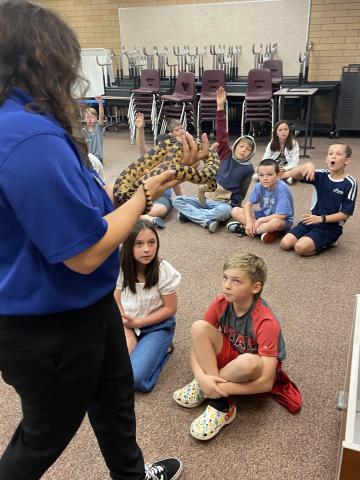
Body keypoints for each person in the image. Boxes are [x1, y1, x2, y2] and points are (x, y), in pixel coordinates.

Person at [0, 2, 193, 478]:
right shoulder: (26, 134)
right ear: (41, 56)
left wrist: (151, 176)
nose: (71, 72)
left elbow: (90, 205)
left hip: (88, 309)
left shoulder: (30, 125)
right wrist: (149, 192)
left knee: (115, 408)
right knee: (41, 439)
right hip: (50, 326)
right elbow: (86, 253)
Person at [173, 253, 302, 441]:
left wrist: (218, 387)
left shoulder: (266, 321)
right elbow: (197, 340)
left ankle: (220, 403)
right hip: (230, 356)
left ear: (255, 287)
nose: (227, 285)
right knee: (198, 327)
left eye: (236, 281)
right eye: (225, 277)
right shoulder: (221, 303)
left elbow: (266, 382)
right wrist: (202, 378)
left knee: (248, 362)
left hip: (252, 367)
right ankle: (212, 391)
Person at [172, 86, 256, 233]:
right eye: (242, 146)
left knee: (224, 212)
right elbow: (222, 134)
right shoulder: (225, 154)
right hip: (206, 198)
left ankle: (193, 216)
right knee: (177, 200)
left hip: (223, 204)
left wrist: (234, 208)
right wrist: (220, 106)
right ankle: (205, 220)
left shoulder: (248, 168)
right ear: (235, 146)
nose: (244, 150)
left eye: (248, 149)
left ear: (251, 153)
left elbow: (241, 193)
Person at [114, 220, 181, 392]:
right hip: (127, 322)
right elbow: (116, 295)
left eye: (152, 243)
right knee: (108, 367)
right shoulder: (121, 265)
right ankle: (138, 343)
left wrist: (137, 324)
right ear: (129, 246)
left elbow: (170, 308)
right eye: (139, 243)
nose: (146, 249)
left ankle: (164, 349)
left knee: (134, 378)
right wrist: (126, 328)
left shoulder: (163, 270)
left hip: (157, 326)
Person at [280, 143, 357, 256]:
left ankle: (331, 241)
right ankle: (311, 237)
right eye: (330, 153)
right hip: (311, 220)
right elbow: (296, 175)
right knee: (285, 244)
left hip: (331, 227)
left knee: (300, 248)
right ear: (326, 158)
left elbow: (346, 214)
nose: (333, 156)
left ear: (347, 160)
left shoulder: (350, 183)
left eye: (338, 154)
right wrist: (307, 164)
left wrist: (321, 219)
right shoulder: (321, 175)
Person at [227, 158, 294, 243]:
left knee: (275, 223)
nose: (265, 178)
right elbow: (248, 205)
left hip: (281, 220)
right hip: (264, 215)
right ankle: (262, 231)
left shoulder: (282, 189)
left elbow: (281, 216)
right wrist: (249, 221)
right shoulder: (259, 186)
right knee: (235, 211)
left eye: (269, 174)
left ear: (277, 175)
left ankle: (248, 230)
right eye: (261, 175)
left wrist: (260, 221)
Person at [134, 112, 183, 229]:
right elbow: (141, 145)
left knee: (159, 211)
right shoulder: (150, 158)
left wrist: (181, 198)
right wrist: (140, 129)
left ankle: (137, 217)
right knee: (130, 204)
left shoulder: (172, 161)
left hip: (162, 197)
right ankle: (144, 218)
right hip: (144, 195)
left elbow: (175, 181)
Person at [254, 120, 299, 184]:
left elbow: (295, 162)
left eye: (286, 129)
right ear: (276, 133)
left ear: (289, 131)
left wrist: (284, 169)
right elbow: (265, 159)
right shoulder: (272, 143)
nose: (283, 132)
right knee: (257, 168)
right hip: (274, 165)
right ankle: (282, 177)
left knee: (297, 170)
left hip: (287, 167)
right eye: (280, 130)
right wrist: (275, 168)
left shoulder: (294, 143)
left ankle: (270, 177)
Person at [82, 95, 105, 163]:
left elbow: (101, 116)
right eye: (87, 117)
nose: (90, 119)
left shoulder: (98, 127)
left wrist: (100, 103)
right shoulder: (83, 130)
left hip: (97, 157)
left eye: (92, 117)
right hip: (87, 157)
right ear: (84, 119)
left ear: (96, 119)